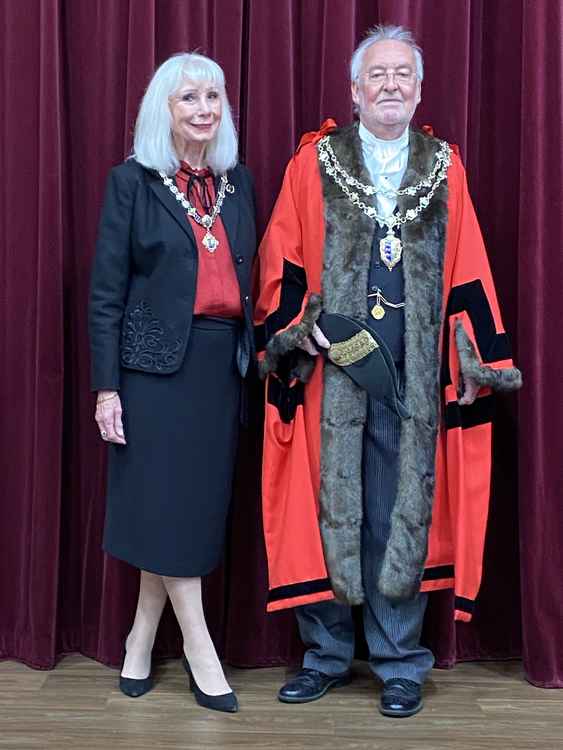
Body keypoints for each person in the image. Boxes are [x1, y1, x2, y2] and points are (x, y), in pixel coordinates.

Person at [254, 25, 521, 718]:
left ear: (420, 88)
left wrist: (471, 358)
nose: (391, 85)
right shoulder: (311, 165)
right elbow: (280, 257)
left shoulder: (443, 166)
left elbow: (468, 268)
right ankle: (325, 656)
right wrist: (295, 325)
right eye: (378, 75)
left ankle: (400, 662)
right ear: (354, 90)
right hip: (331, 372)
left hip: (411, 372)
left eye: (403, 74)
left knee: (399, 512)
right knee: (326, 507)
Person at [89, 52, 256, 712]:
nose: (204, 109)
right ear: (165, 109)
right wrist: (107, 388)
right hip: (151, 373)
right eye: (189, 97)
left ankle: (139, 637)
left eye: (213, 96)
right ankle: (199, 648)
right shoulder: (132, 183)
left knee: (183, 515)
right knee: (163, 508)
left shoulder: (238, 182)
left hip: (220, 371)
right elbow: (105, 294)